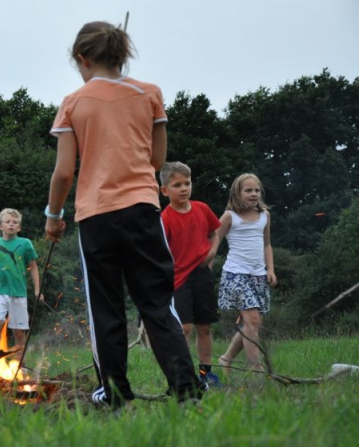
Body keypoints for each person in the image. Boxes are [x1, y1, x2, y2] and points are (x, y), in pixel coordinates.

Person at [44, 21, 205, 409]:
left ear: (82, 59)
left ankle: (115, 395)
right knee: (156, 302)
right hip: (143, 211)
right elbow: (156, 160)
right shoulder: (149, 94)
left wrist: (53, 216)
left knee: (106, 308)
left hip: (96, 217)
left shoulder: (73, 103)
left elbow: (65, 172)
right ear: (121, 55)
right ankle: (186, 390)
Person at [159, 162, 222, 386]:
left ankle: (206, 375)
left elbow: (214, 235)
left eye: (187, 183)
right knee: (184, 328)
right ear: (165, 190)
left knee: (204, 327)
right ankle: (184, 377)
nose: (184, 188)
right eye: (177, 185)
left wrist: (212, 252)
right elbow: (159, 253)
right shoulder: (164, 219)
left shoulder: (202, 208)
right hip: (178, 279)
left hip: (202, 275)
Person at [214, 173, 276, 373]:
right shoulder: (229, 217)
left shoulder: (265, 215)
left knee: (253, 323)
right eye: (248, 190)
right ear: (237, 193)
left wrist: (271, 269)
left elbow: (267, 245)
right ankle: (256, 368)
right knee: (253, 321)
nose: (254, 194)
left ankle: (226, 358)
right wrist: (205, 269)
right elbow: (214, 243)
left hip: (258, 275)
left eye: (257, 190)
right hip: (235, 274)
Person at [0, 208, 41, 353]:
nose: (11, 224)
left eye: (15, 222)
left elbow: (34, 267)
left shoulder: (25, 243)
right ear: (0, 226)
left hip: (19, 292)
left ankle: (20, 366)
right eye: (7, 222)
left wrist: (37, 289)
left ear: (19, 227)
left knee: (19, 332)